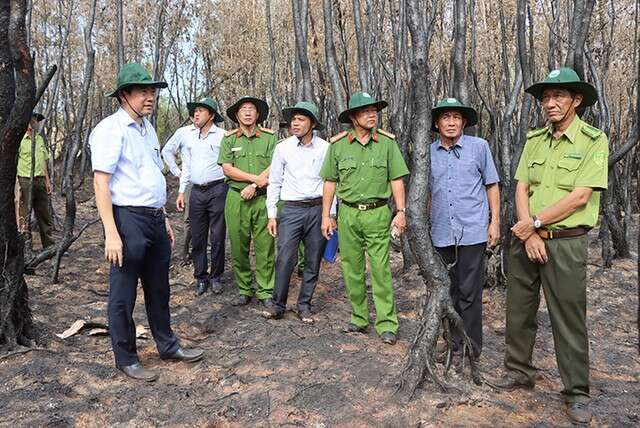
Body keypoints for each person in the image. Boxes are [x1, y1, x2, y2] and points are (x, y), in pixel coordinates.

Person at [492, 68, 608, 425]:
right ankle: (519, 371)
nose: (550, 103)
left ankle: (576, 392)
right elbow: (521, 187)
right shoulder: (535, 139)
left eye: (558, 96)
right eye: (545, 97)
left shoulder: (593, 140)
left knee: (568, 318)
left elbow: (580, 197)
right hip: (527, 240)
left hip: (565, 243)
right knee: (519, 311)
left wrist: (536, 225)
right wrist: (528, 233)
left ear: (576, 100)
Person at [89, 63, 203, 382]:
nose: (150, 97)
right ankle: (126, 358)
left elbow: (152, 176)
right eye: (143, 91)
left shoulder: (147, 129)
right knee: (123, 293)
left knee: (159, 289)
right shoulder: (110, 130)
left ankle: (167, 346)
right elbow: (101, 184)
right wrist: (111, 232)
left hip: (153, 219)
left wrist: (163, 217)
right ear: (124, 95)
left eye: (152, 91)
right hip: (127, 220)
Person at [320, 92, 409, 345]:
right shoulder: (338, 146)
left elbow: (396, 180)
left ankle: (387, 323)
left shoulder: (387, 144)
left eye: (374, 110)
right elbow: (330, 182)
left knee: (381, 269)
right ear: (352, 117)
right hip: (348, 214)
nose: (372, 115)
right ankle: (359, 318)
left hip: (378, 213)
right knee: (351, 268)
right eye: (365, 111)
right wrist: (326, 216)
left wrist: (401, 212)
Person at [430, 97, 500, 360]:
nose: (451, 122)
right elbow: (426, 193)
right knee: (448, 292)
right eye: (445, 117)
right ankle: (452, 345)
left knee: (470, 293)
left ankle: (471, 349)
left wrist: (494, 223)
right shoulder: (429, 153)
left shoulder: (479, 147)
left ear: (464, 122)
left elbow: (492, 184)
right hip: (441, 232)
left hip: (472, 231)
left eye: (456, 117)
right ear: (437, 123)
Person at [264, 101, 335, 323]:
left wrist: (330, 215)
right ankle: (278, 305)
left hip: (317, 208)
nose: (295, 123)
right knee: (285, 258)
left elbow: (331, 182)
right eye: (294, 119)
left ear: (312, 124)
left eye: (301, 119)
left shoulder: (325, 148)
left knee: (313, 260)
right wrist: (272, 214)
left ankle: (304, 305)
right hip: (291, 210)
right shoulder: (282, 148)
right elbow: (274, 181)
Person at [217, 96, 277, 307]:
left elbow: (274, 165)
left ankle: (266, 290)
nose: (248, 112)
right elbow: (227, 168)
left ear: (258, 114)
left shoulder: (269, 138)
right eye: (243, 109)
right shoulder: (230, 138)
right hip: (236, 198)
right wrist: (253, 180)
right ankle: (244, 289)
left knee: (265, 247)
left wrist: (256, 187)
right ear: (237, 115)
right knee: (239, 245)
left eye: (252, 109)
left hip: (263, 199)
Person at [176, 97, 227, 296]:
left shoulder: (223, 136)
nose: (196, 114)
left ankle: (216, 277)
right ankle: (201, 277)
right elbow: (187, 167)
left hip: (218, 190)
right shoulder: (189, 137)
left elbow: (229, 165)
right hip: (196, 192)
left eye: (201, 111)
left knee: (217, 236)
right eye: (194, 111)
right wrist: (182, 191)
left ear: (211, 116)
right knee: (197, 236)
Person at [161, 109, 197, 262]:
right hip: (190, 182)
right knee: (189, 219)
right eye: (194, 112)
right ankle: (185, 253)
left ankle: (201, 253)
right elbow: (166, 151)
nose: (196, 115)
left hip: (214, 185)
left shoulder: (220, 134)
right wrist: (177, 171)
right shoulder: (184, 132)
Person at [16, 112, 55, 248]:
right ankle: (26, 247)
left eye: (35, 121)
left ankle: (49, 246)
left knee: (44, 214)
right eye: (30, 120)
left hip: (40, 181)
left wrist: (47, 181)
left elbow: (43, 161)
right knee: (24, 214)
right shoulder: (20, 140)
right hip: (25, 180)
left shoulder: (39, 139)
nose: (33, 123)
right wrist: (17, 185)